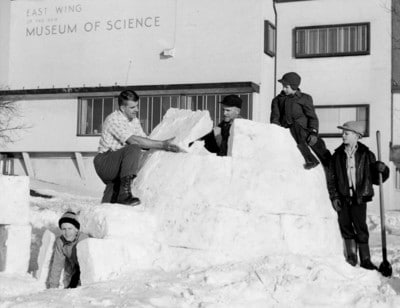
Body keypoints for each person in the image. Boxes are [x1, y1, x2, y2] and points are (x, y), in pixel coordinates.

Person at [94, 90, 180, 206]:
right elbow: (134, 141)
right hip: (105, 162)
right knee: (134, 147)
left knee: (109, 207)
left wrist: (163, 143)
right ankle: (124, 195)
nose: (137, 110)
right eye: (132, 107)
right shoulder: (114, 119)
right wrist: (163, 145)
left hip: (119, 163)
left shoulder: (134, 121)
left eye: (137, 106)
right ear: (123, 108)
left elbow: (145, 141)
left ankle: (107, 207)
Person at [327, 121, 389, 269]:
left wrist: (383, 169)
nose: (343, 135)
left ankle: (366, 260)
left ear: (356, 136)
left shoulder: (367, 155)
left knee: (360, 227)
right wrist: (335, 197)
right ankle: (351, 257)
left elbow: (376, 179)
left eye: (346, 133)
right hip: (343, 197)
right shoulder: (337, 156)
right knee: (346, 226)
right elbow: (332, 179)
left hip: (359, 197)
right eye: (343, 133)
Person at [270, 72, 331, 169]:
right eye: (283, 86)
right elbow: (275, 118)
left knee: (321, 149)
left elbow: (312, 117)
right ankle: (310, 158)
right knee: (293, 127)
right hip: (286, 131)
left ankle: (326, 165)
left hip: (305, 132)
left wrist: (314, 132)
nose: (283, 89)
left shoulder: (305, 98)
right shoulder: (277, 100)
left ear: (294, 87)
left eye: (286, 87)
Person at [48, 211, 89, 289]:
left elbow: (87, 265)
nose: (67, 232)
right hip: (73, 266)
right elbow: (57, 265)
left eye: (70, 228)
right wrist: (53, 287)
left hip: (83, 268)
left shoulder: (83, 239)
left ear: (76, 229)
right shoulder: (60, 241)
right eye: (64, 229)